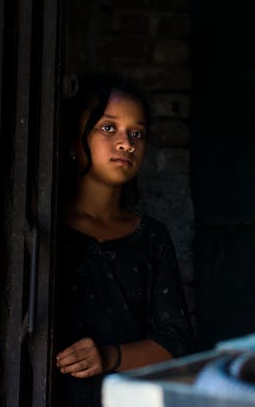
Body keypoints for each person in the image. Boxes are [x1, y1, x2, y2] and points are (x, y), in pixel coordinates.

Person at [55, 75, 193, 407]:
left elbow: (176, 343)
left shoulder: (150, 236)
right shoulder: (44, 229)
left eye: (137, 134)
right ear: (75, 141)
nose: (126, 144)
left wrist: (108, 356)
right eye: (108, 128)